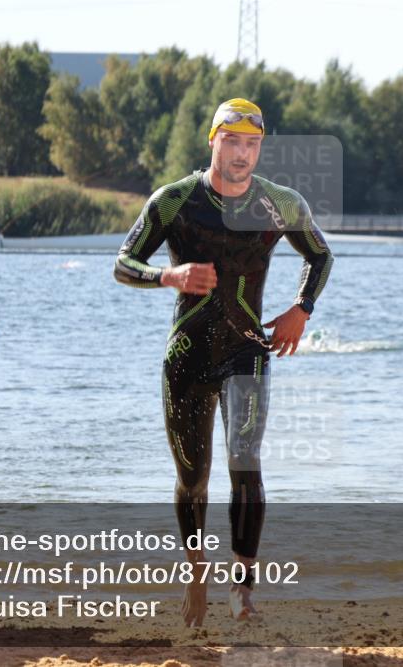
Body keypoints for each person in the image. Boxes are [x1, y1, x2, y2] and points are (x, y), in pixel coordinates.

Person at [113, 98, 334, 626]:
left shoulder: (280, 203)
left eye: (251, 144)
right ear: (212, 141)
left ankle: (243, 587)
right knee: (193, 479)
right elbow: (124, 263)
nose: (241, 154)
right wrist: (168, 276)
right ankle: (196, 572)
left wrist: (301, 309)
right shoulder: (174, 201)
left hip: (246, 351)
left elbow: (320, 254)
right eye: (232, 141)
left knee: (245, 461)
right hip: (187, 357)